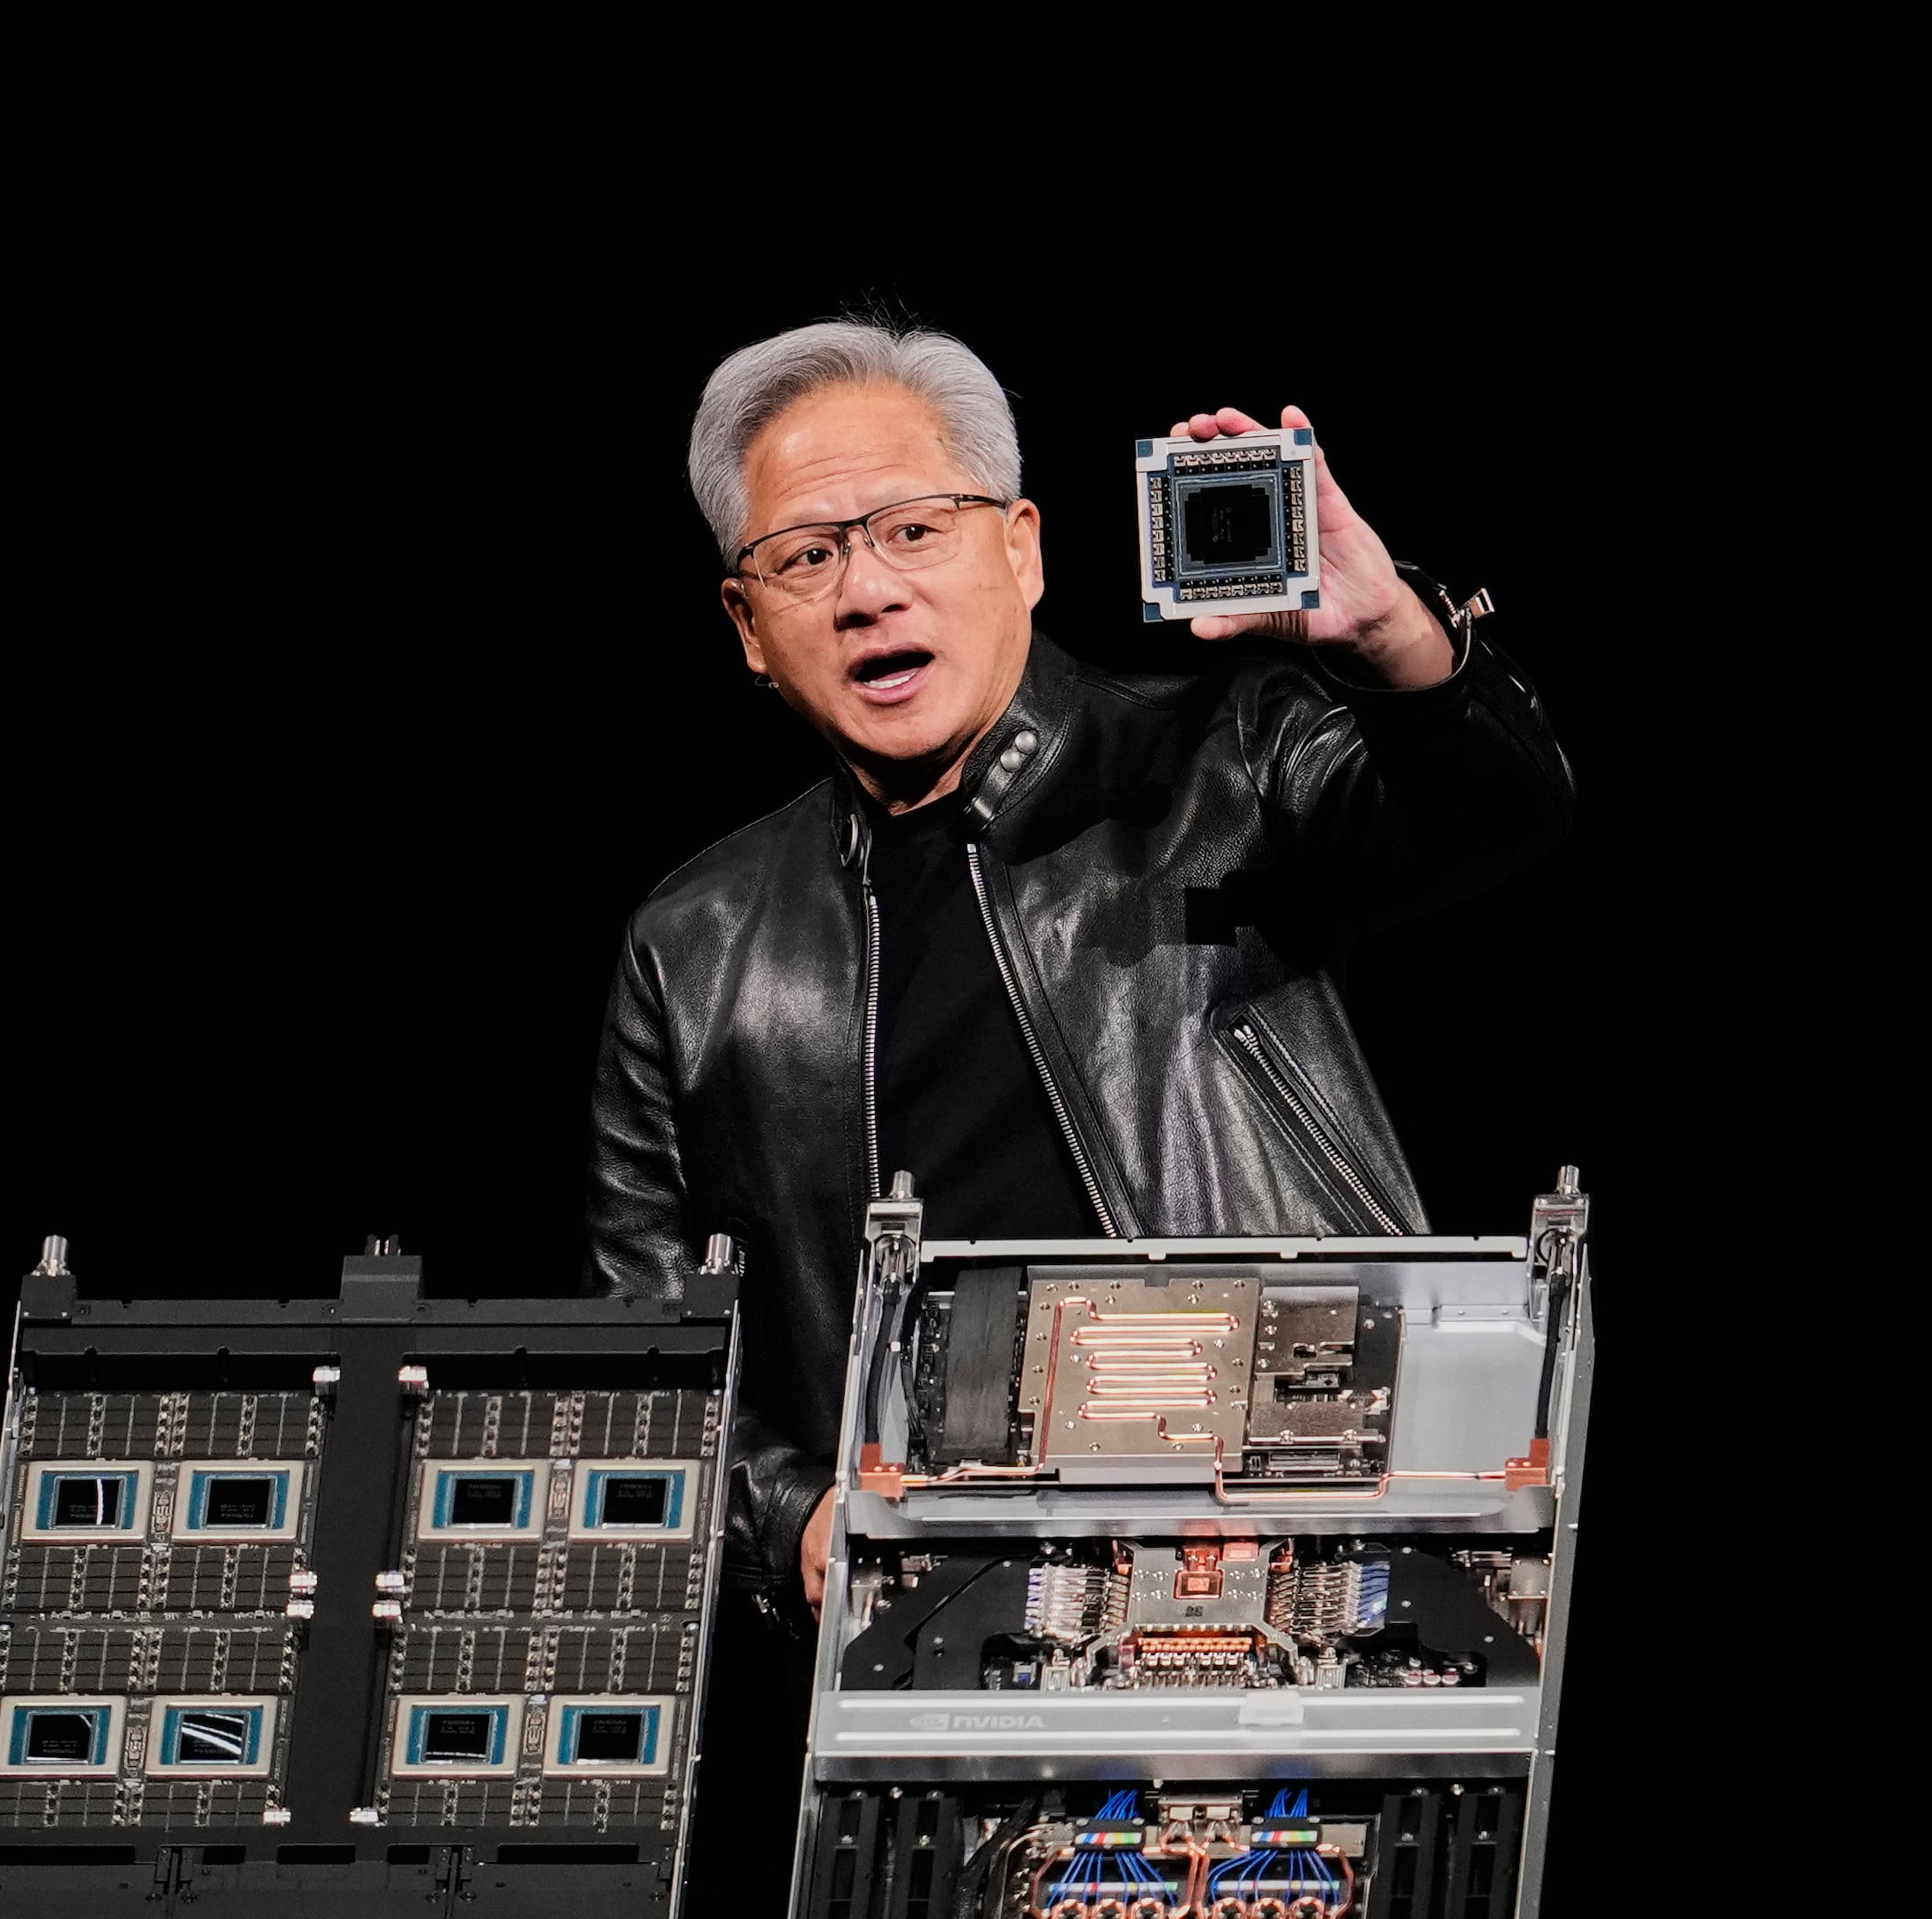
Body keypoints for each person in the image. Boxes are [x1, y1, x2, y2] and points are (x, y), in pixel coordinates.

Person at [586, 316, 1573, 1650]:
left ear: (1023, 546)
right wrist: (796, 1515)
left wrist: (1390, 630)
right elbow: (643, 1348)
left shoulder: (1225, 762)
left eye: (914, 528)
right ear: (749, 627)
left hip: (1292, 1570)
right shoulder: (698, 945)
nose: (866, 591)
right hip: (931, 1640)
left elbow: (1492, 810)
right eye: (806, 556)